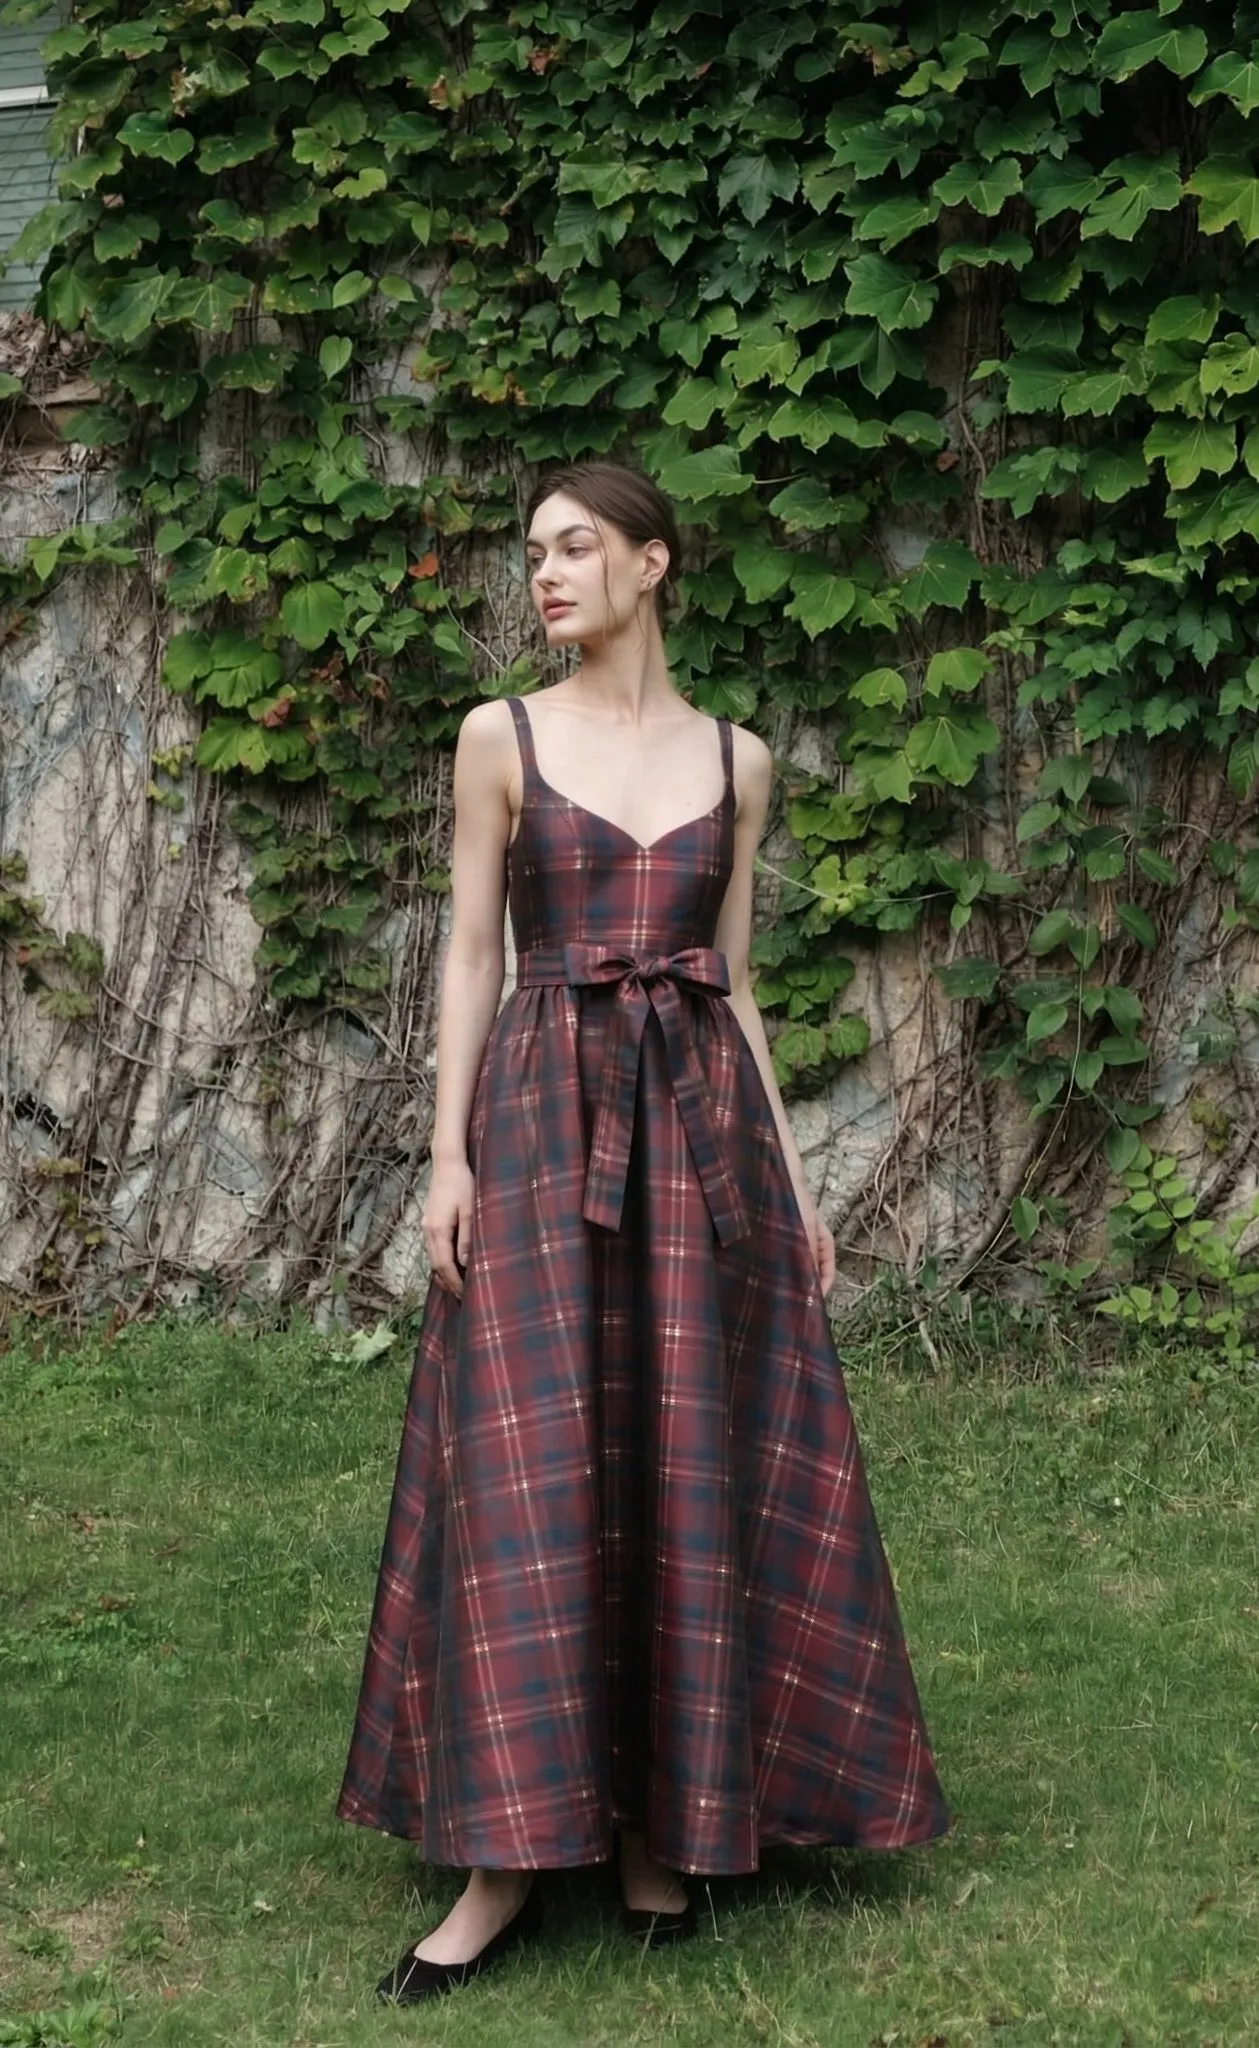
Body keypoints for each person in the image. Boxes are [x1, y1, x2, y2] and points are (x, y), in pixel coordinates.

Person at [337, 462, 951, 2003]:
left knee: (682, 1446)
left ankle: (661, 1828)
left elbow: (732, 981)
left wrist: (799, 1190)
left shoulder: (738, 762)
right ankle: (501, 1855)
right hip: (543, 1123)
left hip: (699, 1133)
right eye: (531, 553)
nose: (543, 574)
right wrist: (444, 1158)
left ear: (650, 564)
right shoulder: (500, 738)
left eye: (573, 547)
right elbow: (474, 952)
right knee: (532, 1458)